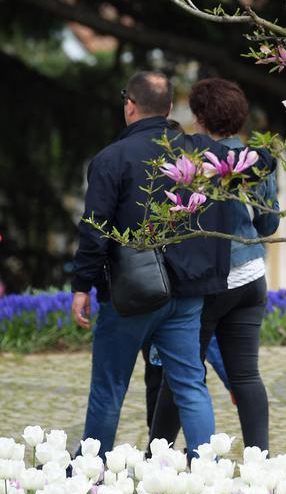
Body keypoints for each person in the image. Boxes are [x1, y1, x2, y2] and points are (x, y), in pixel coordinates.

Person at [70, 71, 229, 459]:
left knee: (109, 387)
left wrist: (81, 286)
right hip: (187, 292)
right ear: (171, 108)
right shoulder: (197, 153)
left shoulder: (112, 159)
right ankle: (206, 472)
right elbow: (259, 161)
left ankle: (92, 472)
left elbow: (95, 230)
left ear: (129, 106)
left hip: (131, 294)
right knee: (190, 384)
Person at [149, 78, 276, 452]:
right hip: (251, 276)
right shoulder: (257, 161)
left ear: (200, 117)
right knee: (247, 376)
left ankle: (156, 455)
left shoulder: (191, 162)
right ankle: (260, 462)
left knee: (183, 373)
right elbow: (268, 224)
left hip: (207, 283)